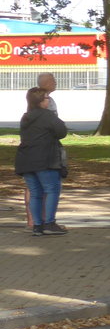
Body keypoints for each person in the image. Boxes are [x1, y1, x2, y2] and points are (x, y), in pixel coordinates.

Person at [14, 86, 69, 236]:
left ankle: (37, 225)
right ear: (40, 101)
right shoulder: (48, 115)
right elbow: (61, 132)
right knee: (52, 190)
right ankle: (49, 223)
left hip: (26, 159)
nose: (48, 100)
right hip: (45, 159)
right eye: (46, 98)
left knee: (35, 192)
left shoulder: (26, 117)